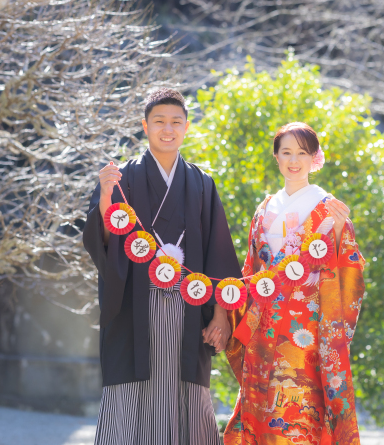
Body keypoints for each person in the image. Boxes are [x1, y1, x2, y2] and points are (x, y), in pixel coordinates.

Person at [82, 88, 242, 445]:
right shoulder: (121, 178)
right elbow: (103, 240)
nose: (167, 129)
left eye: (175, 122)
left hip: (189, 308)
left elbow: (218, 255)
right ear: (145, 126)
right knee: (129, 397)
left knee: (188, 398)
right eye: (159, 122)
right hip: (134, 306)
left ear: (186, 127)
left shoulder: (202, 183)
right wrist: (106, 196)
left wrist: (220, 316)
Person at [223, 122, 366, 445]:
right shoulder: (264, 209)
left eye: (302, 153)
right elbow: (252, 269)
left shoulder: (327, 207)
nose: (293, 160)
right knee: (260, 405)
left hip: (305, 328)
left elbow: (348, 267)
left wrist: (340, 230)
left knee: (300, 405)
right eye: (286, 152)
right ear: (276, 156)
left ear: (314, 157)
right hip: (264, 324)